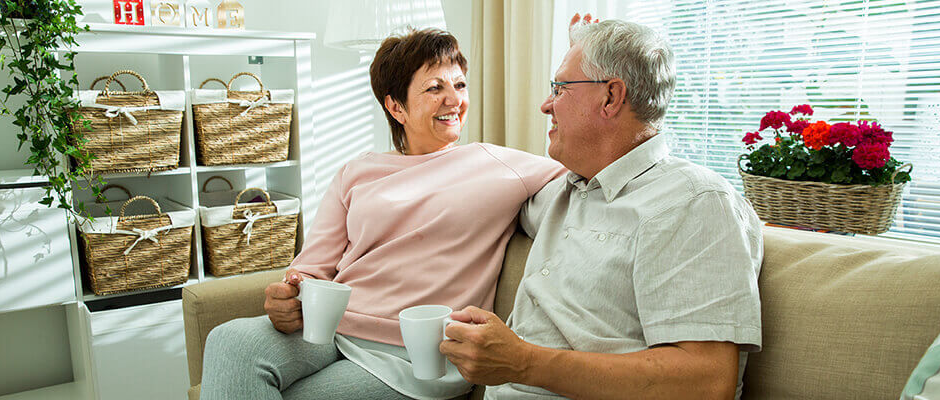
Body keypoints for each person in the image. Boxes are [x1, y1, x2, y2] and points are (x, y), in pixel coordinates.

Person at [199, 28, 566, 400]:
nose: (453, 99)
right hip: (332, 331)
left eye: (459, 85)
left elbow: (579, 179)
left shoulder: (496, 164)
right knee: (228, 340)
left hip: (416, 355)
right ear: (396, 107)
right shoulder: (356, 172)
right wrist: (286, 297)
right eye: (435, 88)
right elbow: (310, 269)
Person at [439, 16, 763, 400]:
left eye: (559, 89)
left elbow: (707, 382)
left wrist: (524, 361)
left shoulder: (694, 203)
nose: (546, 105)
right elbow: (485, 196)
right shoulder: (564, 190)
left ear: (611, 97)